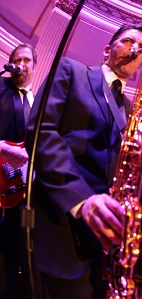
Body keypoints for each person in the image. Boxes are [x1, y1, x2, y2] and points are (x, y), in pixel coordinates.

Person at [25, 24, 142, 299]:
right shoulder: (71, 71)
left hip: (113, 230)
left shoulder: (135, 109)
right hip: (64, 219)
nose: (135, 49)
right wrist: (82, 200)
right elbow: (42, 133)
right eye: (128, 41)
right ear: (107, 50)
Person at [0, 43, 37, 299]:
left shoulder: (36, 101)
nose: (21, 63)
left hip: (23, 190)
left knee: (22, 251)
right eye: (17, 59)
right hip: (1, 177)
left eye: (26, 60)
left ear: (34, 66)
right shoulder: (1, 89)